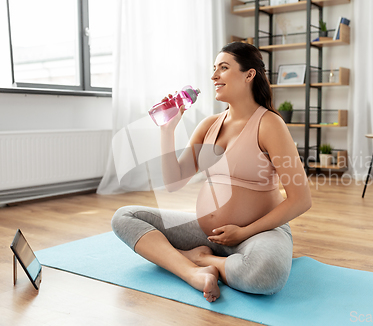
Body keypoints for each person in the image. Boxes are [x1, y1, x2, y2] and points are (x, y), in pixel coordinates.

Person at [112, 42, 312, 302]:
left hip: (258, 233)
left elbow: (301, 200)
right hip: (207, 232)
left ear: (249, 75)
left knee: (267, 274)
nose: (214, 76)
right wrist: (168, 131)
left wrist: (243, 232)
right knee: (124, 217)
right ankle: (192, 271)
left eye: (224, 68)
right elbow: (174, 182)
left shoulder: (270, 124)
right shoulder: (209, 125)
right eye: (214, 68)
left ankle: (201, 259)